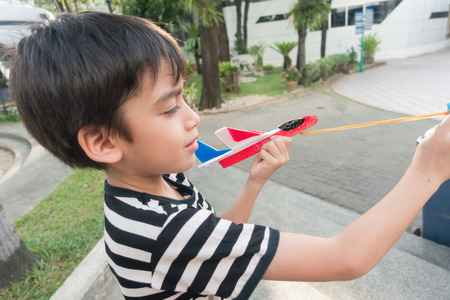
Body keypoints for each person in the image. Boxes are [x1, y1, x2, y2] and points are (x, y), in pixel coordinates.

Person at [8, 12, 450, 300]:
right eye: (169, 106)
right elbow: (346, 258)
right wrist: (429, 167)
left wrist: (254, 181)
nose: (193, 117)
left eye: (186, 98)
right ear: (104, 143)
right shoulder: (165, 231)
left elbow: (213, 234)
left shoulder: (154, 183)